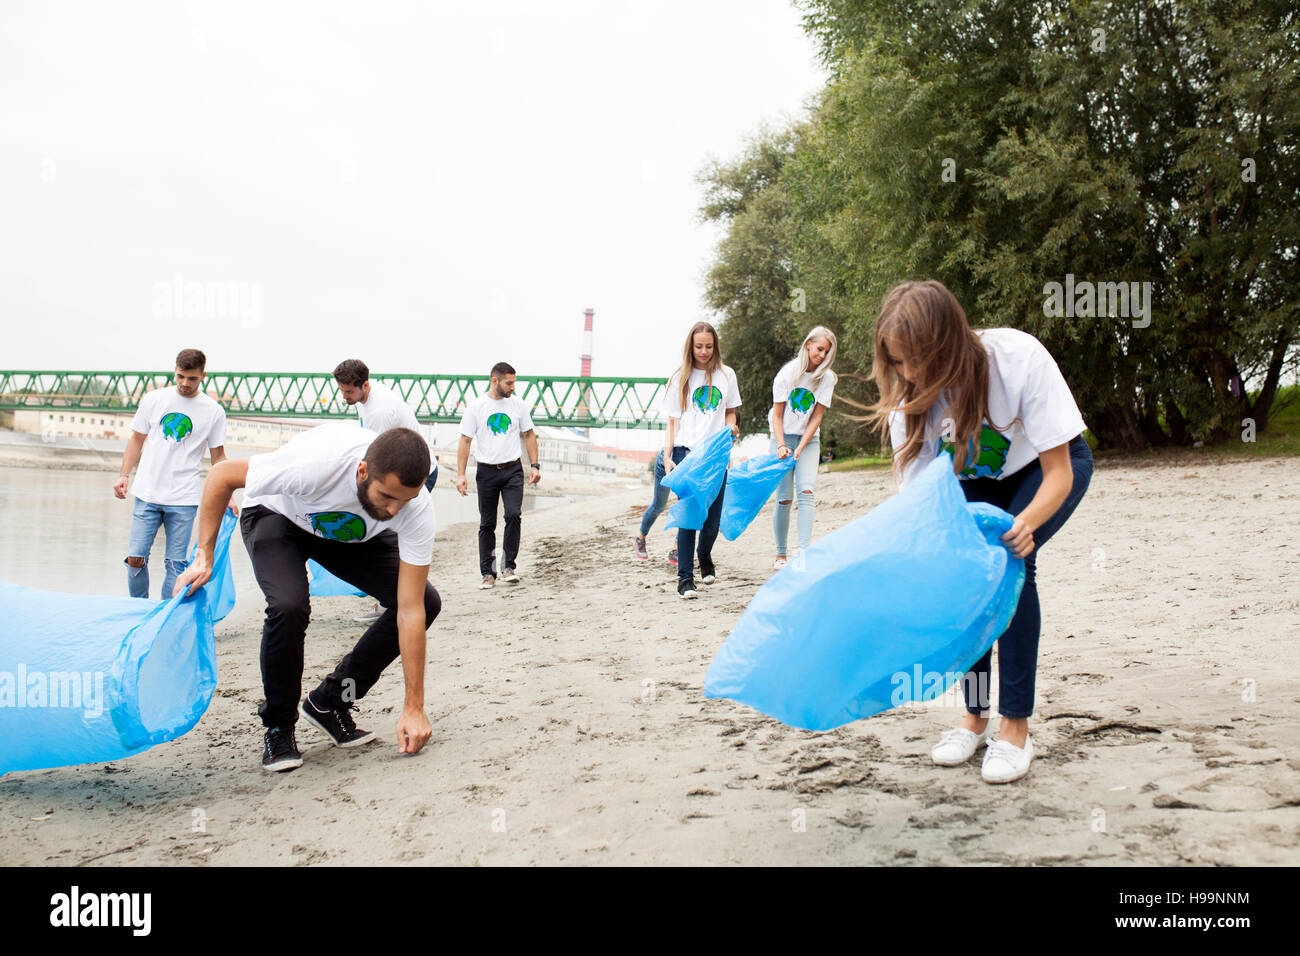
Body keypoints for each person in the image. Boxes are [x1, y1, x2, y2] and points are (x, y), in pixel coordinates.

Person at [871, 280, 1093, 784]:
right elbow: (921, 498)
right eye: (898, 362)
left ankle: (1015, 728)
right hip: (973, 483)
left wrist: (1027, 524)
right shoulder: (909, 399)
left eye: (917, 360)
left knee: (1009, 564)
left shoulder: (1017, 358)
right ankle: (974, 718)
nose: (909, 374)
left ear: (948, 341)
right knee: (969, 581)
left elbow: (1061, 470)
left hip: (1043, 469)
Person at [174, 423, 440, 772]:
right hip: (277, 517)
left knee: (425, 602)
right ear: (362, 471)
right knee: (289, 606)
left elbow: (409, 611)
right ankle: (279, 726)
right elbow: (222, 476)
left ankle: (331, 701)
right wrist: (203, 555)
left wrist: (414, 707)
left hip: (345, 535)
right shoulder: (317, 466)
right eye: (387, 497)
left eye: (403, 500)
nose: (394, 510)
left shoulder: (414, 507)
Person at [113, 349, 229, 600]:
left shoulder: (214, 412)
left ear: (203, 376)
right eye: (180, 377)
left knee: (176, 565)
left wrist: (227, 494)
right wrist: (124, 475)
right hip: (147, 492)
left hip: (184, 498)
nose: (185, 384)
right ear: (174, 371)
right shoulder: (154, 399)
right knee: (135, 558)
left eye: (192, 379)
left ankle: (166, 617)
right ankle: (139, 609)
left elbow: (218, 456)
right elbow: (136, 440)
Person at [639, 322, 740, 599]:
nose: (704, 351)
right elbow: (672, 422)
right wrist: (669, 456)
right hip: (686, 453)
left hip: (716, 454)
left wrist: (731, 428)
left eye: (709, 346)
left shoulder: (726, 375)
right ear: (690, 347)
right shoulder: (679, 378)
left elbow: (730, 413)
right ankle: (685, 579)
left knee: (712, 521)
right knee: (689, 516)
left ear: (715, 346)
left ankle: (704, 556)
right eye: (699, 346)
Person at [334, 359, 438, 623]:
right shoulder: (369, 397)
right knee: (386, 530)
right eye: (342, 390)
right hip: (404, 467)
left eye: (349, 392)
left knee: (390, 534)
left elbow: (375, 459)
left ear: (365, 385)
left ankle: (391, 604)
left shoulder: (379, 411)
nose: (344, 396)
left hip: (416, 474)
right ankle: (389, 600)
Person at [455, 362, 540, 589]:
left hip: (513, 470)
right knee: (487, 523)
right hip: (486, 471)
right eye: (509, 383)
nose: (513, 387)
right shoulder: (476, 407)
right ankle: (488, 573)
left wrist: (535, 465)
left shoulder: (519, 406)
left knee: (513, 515)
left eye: (514, 382)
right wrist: (461, 475)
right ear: (495, 380)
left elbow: (529, 435)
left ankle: (508, 567)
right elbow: (465, 441)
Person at [770, 327, 837, 570]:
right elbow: (777, 416)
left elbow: (816, 417)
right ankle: (780, 554)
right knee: (785, 498)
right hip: (782, 436)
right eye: (820, 349)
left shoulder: (827, 378)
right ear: (808, 344)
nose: (822, 355)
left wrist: (801, 447)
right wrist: (781, 446)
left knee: (807, 492)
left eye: (827, 352)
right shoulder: (787, 375)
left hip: (809, 439)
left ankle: (804, 553)